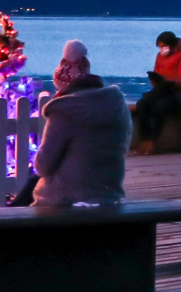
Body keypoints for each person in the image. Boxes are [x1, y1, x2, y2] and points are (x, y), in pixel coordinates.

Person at [29, 40, 128, 207]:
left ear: (63, 88)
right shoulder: (117, 106)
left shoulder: (64, 111)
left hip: (66, 199)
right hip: (109, 195)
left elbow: (44, 166)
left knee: (28, 192)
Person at [151, 32, 181, 103]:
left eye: (164, 46)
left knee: (163, 104)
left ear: (171, 45)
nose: (162, 49)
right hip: (161, 93)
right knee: (143, 103)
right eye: (160, 47)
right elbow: (156, 74)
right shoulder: (159, 56)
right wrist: (154, 80)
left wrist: (165, 80)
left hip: (179, 95)